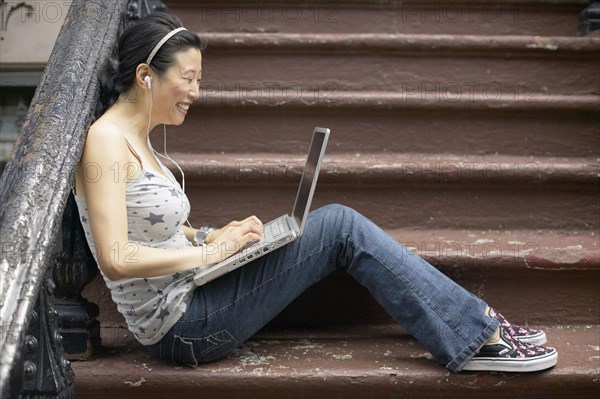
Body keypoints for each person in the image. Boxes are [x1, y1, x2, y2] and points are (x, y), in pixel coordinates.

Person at [73, 12, 557, 373]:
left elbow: (154, 227)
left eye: (199, 79)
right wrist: (206, 256)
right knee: (339, 225)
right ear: (145, 76)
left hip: (197, 292)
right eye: (189, 77)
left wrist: (210, 236)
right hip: (183, 329)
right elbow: (116, 258)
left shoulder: (139, 139)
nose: (197, 91)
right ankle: (478, 336)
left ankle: (476, 326)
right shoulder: (105, 143)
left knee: (329, 224)